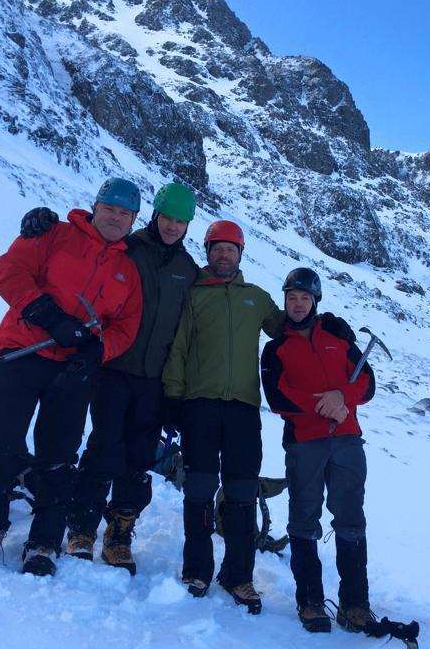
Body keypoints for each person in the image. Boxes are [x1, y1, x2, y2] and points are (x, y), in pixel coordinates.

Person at [162, 222, 353, 614]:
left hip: (244, 410)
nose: (224, 255)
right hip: (198, 404)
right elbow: (179, 346)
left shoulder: (257, 298)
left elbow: (293, 327)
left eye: (231, 249)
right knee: (198, 488)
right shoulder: (194, 295)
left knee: (242, 492)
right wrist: (173, 398)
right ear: (208, 251)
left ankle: (239, 575)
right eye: (217, 249)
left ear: (240, 254)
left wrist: (326, 324)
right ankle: (197, 569)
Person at [0, 178, 143, 577]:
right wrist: (47, 314)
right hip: (22, 352)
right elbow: (10, 271)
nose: (115, 218)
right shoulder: (53, 234)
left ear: (133, 221)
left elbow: (125, 326)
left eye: (125, 213)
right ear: (95, 207)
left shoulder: (127, 271)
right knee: (0, 438)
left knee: (58, 455)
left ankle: (43, 541)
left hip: (72, 369)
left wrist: (97, 351)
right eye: (110, 209)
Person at [18, 182, 199, 575]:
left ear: (188, 225)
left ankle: (119, 533)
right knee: (103, 448)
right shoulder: (126, 248)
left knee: (138, 459)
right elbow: (85, 250)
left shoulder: (188, 271)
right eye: (167, 217)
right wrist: (43, 223)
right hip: (112, 367)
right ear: (154, 215)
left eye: (180, 221)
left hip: (154, 379)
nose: (171, 226)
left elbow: (191, 330)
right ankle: (82, 527)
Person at [260, 268, 375, 634]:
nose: (297, 304)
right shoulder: (276, 348)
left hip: (347, 440)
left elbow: (367, 381)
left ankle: (355, 605)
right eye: (291, 298)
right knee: (304, 519)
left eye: (304, 298)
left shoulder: (339, 337)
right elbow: (277, 397)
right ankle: (310, 601)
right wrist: (322, 405)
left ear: (315, 301)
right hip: (305, 442)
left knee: (350, 518)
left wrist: (343, 397)